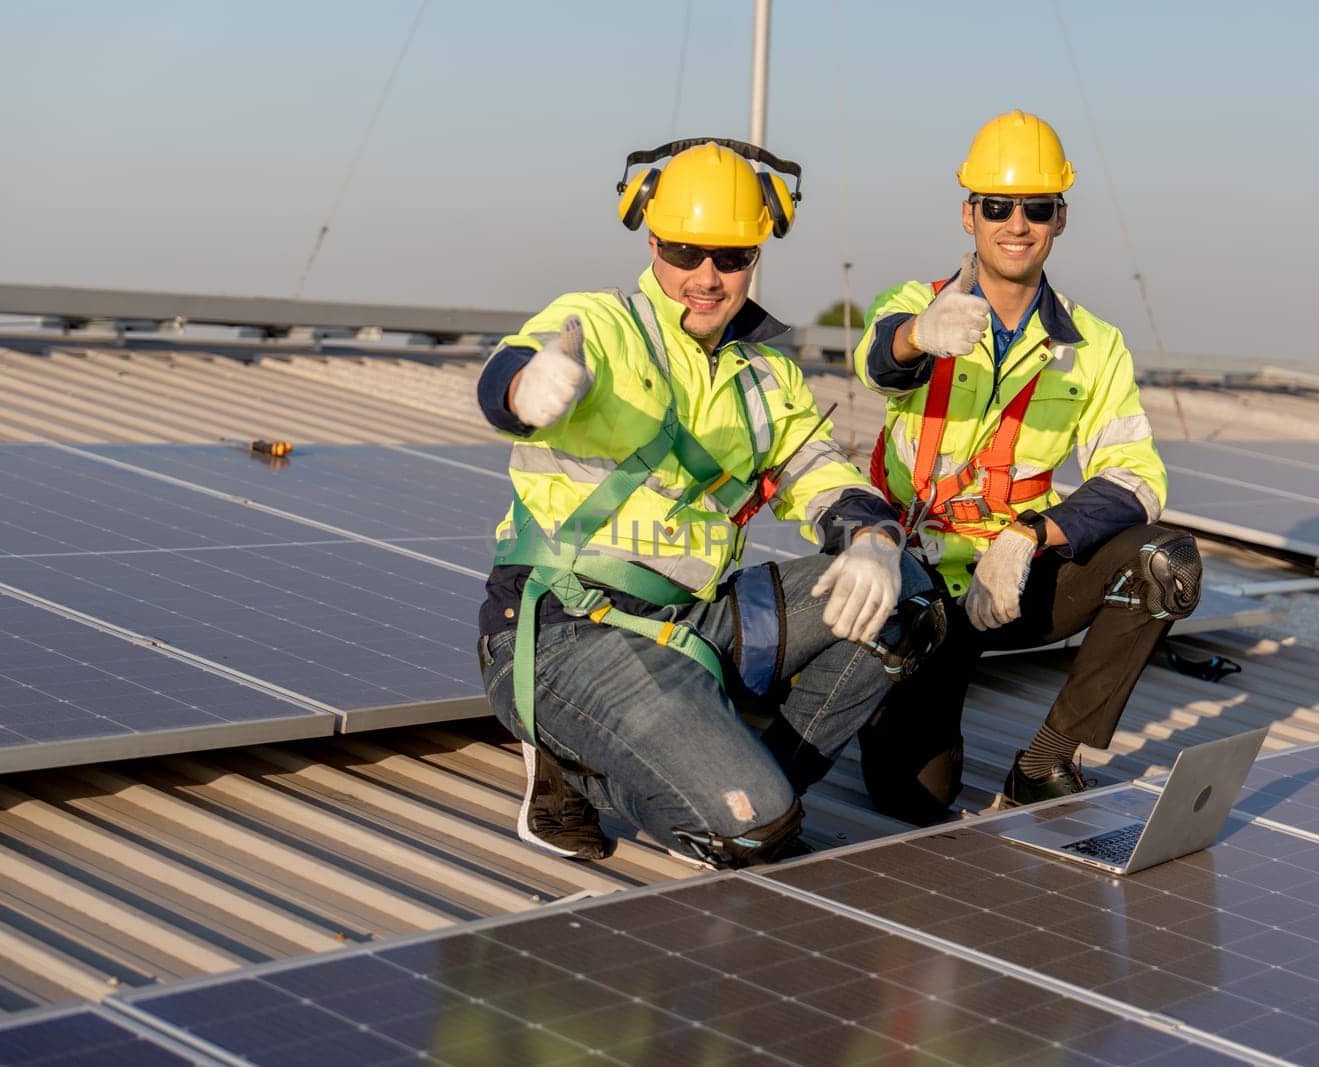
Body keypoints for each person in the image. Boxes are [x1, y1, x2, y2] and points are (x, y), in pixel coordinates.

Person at [475, 139, 939, 867]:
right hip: (570, 626)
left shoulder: (766, 373)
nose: (706, 276)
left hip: (698, 621)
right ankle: (587, 774)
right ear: (652, 238)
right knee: (748, 831)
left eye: (730, 256)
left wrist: (875, 538)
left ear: (756, 254)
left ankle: (744, 783)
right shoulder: (599, 326)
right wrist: (521, 386)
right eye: (685, 250)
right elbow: (516, 365)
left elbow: (822, 475)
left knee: (908, 595)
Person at [851, 110, 1200, 824]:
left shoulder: (1094, 345)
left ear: (1059, 218)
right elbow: (877, 363)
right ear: (968, 214)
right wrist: (921, 335)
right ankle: (881, 695)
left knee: (1165, 560)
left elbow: (1137, 476)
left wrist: (1030, 537)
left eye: (1036, 208)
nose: (1017, 223)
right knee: (913, 798)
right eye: (998, 206)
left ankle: (1046, 761)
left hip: (1012, 581)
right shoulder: (916, 306)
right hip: (920, 588)